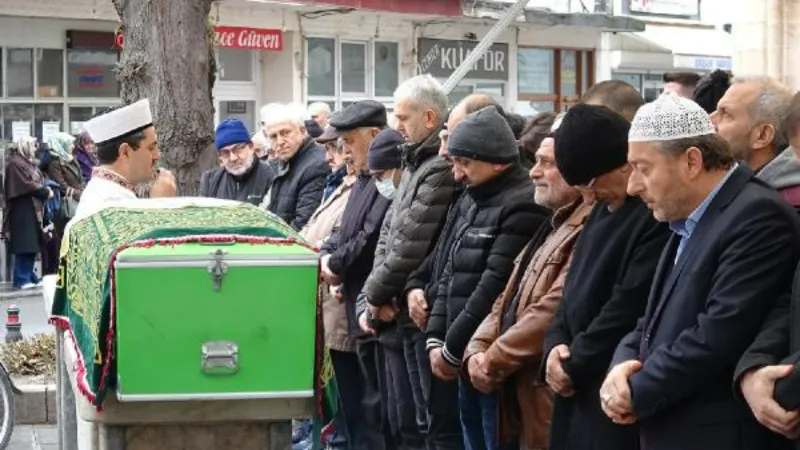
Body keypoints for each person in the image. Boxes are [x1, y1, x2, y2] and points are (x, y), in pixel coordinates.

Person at [603, 92, 800, 450]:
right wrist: (620, 367)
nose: (632, 186)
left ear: (692, 161)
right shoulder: (689, 218)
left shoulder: (756, 216)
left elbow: (719, 332)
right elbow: (652, 320)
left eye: (643, 169)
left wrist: (635, 390)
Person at [542, 104, 670, 450]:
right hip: (574, 383)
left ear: (624, 163)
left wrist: (573, 364)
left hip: (608, 386)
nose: (588, 197)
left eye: (590, 184)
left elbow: (626, 307)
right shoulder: (601, 208)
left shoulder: (652, 215)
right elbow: (569, 292)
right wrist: (553, 346)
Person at [463, 113, 592, 450]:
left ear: (575, 169)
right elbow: (507, 297)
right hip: (516, 393)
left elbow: (552, 308)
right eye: (535, 161)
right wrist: (476, 346)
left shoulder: (585, 227)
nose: (533, 172)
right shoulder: (554, 221)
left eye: (546, 163)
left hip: (541, 395)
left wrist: (491, 360)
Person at [424, 106, 547, 450]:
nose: (458, 175)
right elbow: (449, 269)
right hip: (461, 352)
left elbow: (494, 285)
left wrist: (453, 346)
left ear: (495, 161)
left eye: (465, 164)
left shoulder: (522, 204)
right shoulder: (473, 198)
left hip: (488, 359)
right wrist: (437, 337)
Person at [361, 74, 456, 450]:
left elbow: (411, 246)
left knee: (428, 423)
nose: (396, 127)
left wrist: (372, 295)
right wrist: (373, 294)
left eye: (403, 118)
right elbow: (390, 233)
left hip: (419, 312)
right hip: (396, 307)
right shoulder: (415, 163)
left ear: (430, 118)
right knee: (412, 419)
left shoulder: (436, 168)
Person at [320, 101, 400, 450]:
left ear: (375, 135)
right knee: (357, 415)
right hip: (353, 305)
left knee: (373, 416)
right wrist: (328, 258)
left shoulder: (386, 181)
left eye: (350, 141)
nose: (344, 151)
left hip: (373, 313)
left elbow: (368, 239)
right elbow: (343, 232)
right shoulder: (364, 179)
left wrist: (335, 267)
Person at [710, 76, 800, 209]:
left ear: (762, 135)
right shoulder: (743, 188)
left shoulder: (780, 206)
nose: (709, 120)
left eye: (726, 113)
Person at [76, 99, 176, 218]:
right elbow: (141, 236)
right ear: (125, 152)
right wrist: (160, 206)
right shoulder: (110, 203)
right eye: (151, 148)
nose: (157, 155)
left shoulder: (106, 191)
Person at [261, 103, 330, 231]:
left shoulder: (315, 165)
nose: (280, 141)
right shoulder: (281, 163)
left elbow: (303, 224)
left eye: (285, 133)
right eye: (273, 136)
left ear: (302, 131)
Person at [3, 137, 52, 289]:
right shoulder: (15, 164)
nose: (34, 148)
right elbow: (27, 185)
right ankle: (21, 279)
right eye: (31, 145)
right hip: (21, 210)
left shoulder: (24, 162)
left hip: (30, 209)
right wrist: (45, 191)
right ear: (24, 146)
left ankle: (30, 277)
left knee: (31, 244)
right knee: (25, 244)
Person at [198, 118, 274, 205]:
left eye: (237, 149)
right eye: (225, 153)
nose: (232, 158)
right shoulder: (210, 181)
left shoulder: (270, 177)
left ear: (250, 147)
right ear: (220, 156)